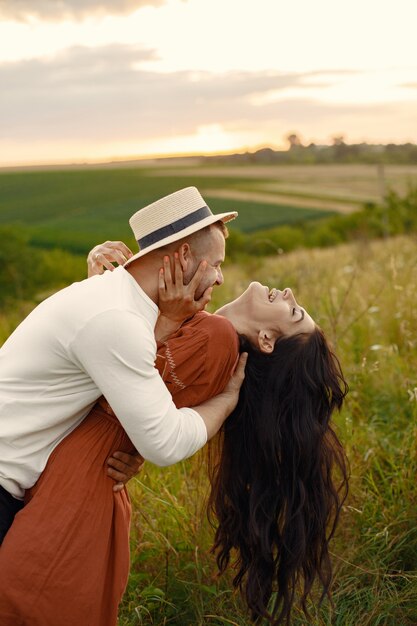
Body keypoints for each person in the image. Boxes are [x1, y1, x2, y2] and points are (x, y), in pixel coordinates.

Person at [0, 236, 348, 625]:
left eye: (294, 310)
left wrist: (149, 314)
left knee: (27, 596)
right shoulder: (202, 327)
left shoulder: (216, 339)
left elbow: (115, 373)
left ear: (267, 339)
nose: (288, 292)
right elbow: (112, 362)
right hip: (66, 462)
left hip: (79, 477)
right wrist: (108, 282)